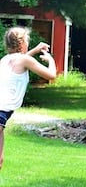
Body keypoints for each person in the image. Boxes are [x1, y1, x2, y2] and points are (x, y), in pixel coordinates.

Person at [0, 26, 57, 169]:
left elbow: (22, 60)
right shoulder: (23, 60)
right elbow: (52, 75)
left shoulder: (5, 60)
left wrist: (35, 50)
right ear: (22, 43)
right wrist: (50, 60)